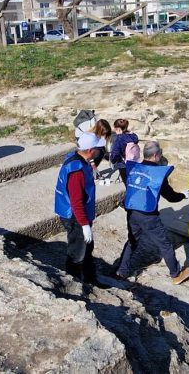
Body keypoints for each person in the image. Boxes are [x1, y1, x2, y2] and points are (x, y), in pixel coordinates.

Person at [116, 141, 189, 285]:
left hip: (132, 212)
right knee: (165, 244)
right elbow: (170, 197)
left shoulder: (134, 168)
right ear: (156, 155)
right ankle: (176, 274)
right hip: (148, 215)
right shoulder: (158, 174)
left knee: (132, 240)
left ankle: (122, 270)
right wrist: (183, 195)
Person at [54, 133, 102, 284]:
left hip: (75, 214)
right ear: (90, 150)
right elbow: (76, 201)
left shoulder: (76, 158)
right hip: (75, 216)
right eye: (97, 148)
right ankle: (73, 284)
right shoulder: (77, 171)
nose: (99, 150)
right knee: (77, 252)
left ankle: (90, 279)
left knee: (87, 247)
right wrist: (84, 224)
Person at [109, 119, 140, 184]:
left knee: (127, 184)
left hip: (123, 164)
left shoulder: (119, 138)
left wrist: (113, 160)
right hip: (134, 162)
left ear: (118, 129)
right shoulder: (133, 136)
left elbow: (115, 152)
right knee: (134, 184)